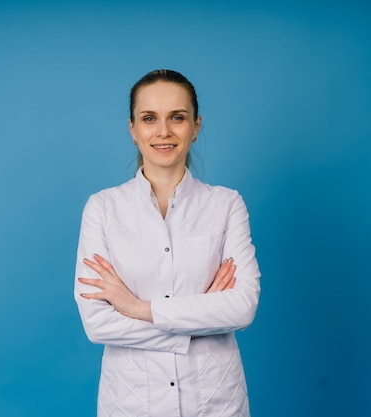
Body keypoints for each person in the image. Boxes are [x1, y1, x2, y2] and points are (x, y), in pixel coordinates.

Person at [74, 69, 261, 417]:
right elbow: (97, 323)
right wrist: (199, 318)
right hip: (131, 403)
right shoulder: (102, 208)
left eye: (177, 117)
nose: (163, 131)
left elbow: (242, 306)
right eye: (149, 118)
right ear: (132, 129)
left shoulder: (226, 205)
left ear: (196, 126)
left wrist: (137, 308)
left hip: (215, 401)